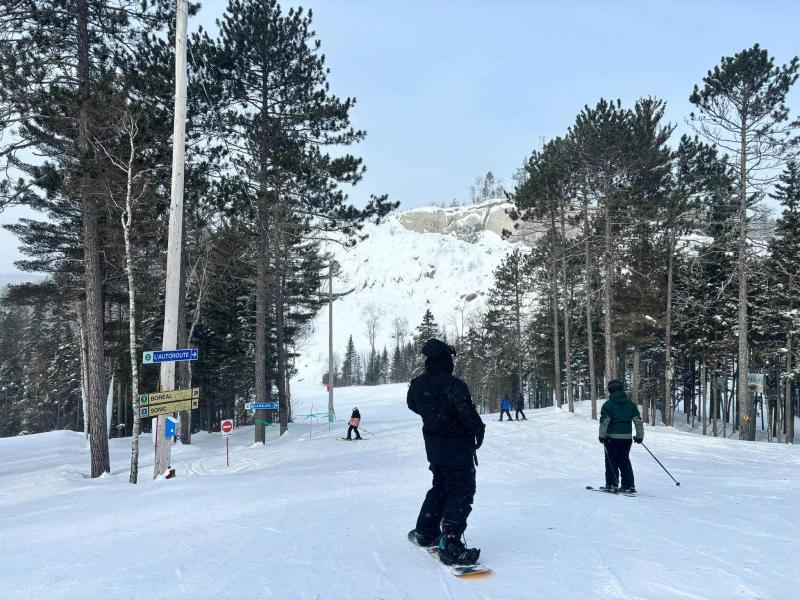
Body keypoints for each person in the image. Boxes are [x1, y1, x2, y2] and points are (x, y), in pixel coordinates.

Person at [407, 338, 485, 566]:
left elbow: (412, 405)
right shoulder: (453, 385)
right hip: (457, 447)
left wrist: (434, 416)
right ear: (445, 360)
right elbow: (467, 413)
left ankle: (426, 529)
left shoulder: (418, 384)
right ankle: (449, 541)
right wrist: (478, 429)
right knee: (462, 488)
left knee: (440, 485)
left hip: (434, 446)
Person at [598, 379, 644, 493]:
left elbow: (605, 421)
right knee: (624, 460)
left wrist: (602, 435)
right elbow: (638, 421)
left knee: (611, 460)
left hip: (611, 438)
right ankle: (628, 486)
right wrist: (640, 436)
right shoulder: (631, 405)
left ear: (610, 390)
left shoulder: (608, 405)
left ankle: (612, 484)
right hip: (626, 439)